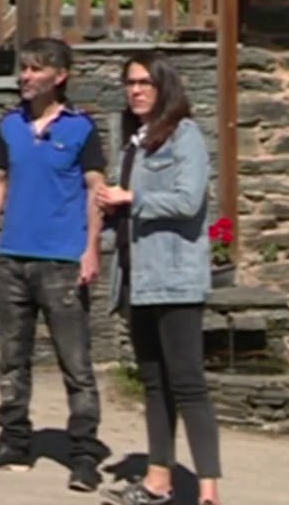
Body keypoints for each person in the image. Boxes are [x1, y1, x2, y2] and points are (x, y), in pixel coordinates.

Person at [0, 37, 110, 493]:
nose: (25, 76)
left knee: (76, 364)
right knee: (12, 357)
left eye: (35, 69)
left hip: (63, 263)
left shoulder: (81, 128)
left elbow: (95, 189)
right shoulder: (10, 125)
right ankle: (14, 440)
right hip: (13, 259)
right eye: (22, 69)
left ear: (59, 76)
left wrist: (91, 249)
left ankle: (84, 454)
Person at [98, 51, 223, 505]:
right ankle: (157, 480)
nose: (136, 90)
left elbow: (189, 201)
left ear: (164, 86)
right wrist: (109, 208)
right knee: (154, 382)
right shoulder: (136, 141)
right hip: (136, 276)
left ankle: (208, 490)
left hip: (175, 276)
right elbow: (127, 206)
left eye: (145, 82)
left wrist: (130, 197)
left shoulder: (184, 136)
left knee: (187, 381)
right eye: (130, 82)